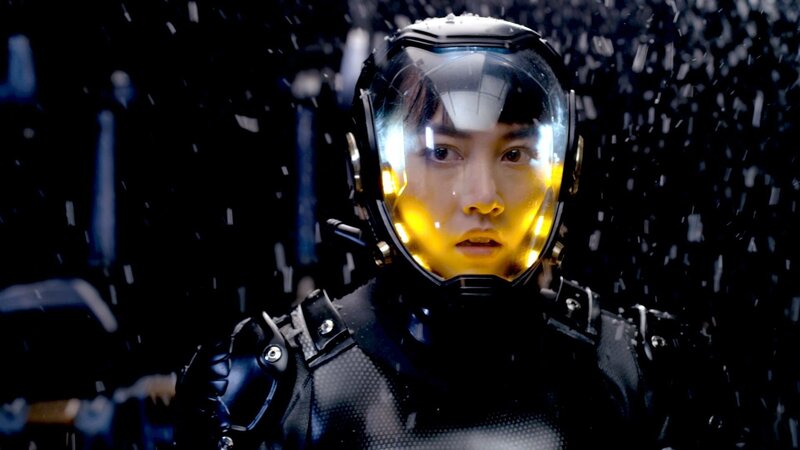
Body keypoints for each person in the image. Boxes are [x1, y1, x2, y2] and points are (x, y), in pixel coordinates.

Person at [175, 13, 742, 449]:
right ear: (371, 172)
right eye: (442, 152)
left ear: (563, 170)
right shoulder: (269, 390)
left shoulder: (650, 376)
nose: (482, 197)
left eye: (514, 154)